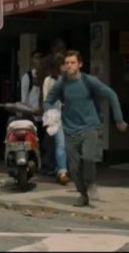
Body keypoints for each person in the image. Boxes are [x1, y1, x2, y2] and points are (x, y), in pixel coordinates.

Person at [45, 50, 128, 208]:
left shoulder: (89, 81)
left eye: (73, 63)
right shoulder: (61, 83)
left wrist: (118, 119)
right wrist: (51, 114)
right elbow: (48, 101)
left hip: (90, 127)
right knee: (74, 168)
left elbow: (111, 95)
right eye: (67, 63)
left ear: (80, 64)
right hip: (69, 129)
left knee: (89, 158)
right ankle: (83, 194)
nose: (69, 66)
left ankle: (90, 184)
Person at [41, 53, 69, 185]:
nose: (65, 66)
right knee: (60, 144)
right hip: (56, 115)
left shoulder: (71, 79)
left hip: (71, 115)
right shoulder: (49, 80)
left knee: (70, 144)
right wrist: (49, 118)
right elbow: (46, 100)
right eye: (63, 64)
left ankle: (64, 168)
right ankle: (62, 171)